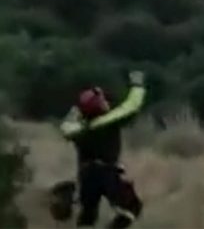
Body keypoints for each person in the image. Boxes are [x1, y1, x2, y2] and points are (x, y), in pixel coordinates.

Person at [57, 70, 149, 228]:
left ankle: (68, 197)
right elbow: (131, 106)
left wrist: (78, 109)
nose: (106, 102)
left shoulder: (78, 129)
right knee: (131, 209)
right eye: (102, 101)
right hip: (107, 173)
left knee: (87, 215)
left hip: (86, 174)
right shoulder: (107, 122)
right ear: (99, 106)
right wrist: (137, 85)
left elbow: (67, 125)